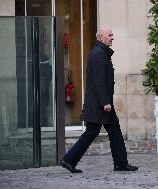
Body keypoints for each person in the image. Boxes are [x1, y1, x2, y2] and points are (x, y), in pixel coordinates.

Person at [60, 27, 138, 173]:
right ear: (100, 38)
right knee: (92, 132)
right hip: (100, 103)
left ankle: (120, 163)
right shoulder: (99, 54)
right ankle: (69, 160)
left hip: (101, 102)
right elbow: (98, 80)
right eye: (110, 35)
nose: (112, 38)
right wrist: (105, 102)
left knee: (112, 130)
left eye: (112, 35)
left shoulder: (101, 53)